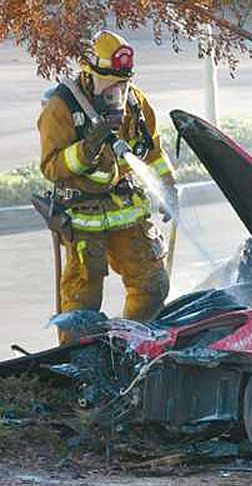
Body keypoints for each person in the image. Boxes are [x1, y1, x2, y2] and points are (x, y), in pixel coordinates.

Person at [37, 30, 177, 341]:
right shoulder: (62, 107)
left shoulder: (136, 103)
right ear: (89, 73)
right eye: (110, 82)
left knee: (152, 286)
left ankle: (134, 346)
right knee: (82, 306)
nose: (117, 90)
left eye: (122, 82)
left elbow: (151, 151)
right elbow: (51, 166)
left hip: (126, 210)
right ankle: (80, 366)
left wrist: (168, 188)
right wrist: (88, 148)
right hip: (84, 220)